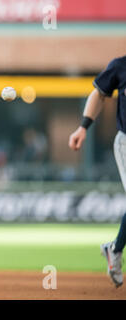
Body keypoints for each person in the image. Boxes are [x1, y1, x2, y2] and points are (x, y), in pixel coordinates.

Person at [68, 55, 126, 288]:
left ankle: (114, 248)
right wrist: (83, 127)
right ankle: (115, 250)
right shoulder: (121, 66)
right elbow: (99, 93)